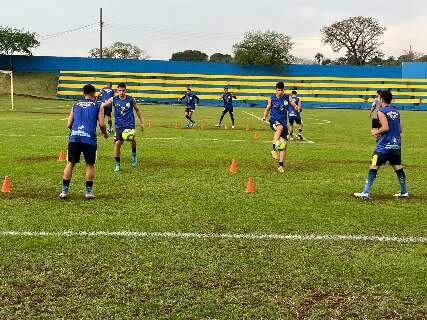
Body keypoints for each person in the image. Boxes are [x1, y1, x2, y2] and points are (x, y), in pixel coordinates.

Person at [354, 90, 408, 199]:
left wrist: (376, 132)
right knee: (398, 167)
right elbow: (401, 129)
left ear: (382, 98)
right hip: (396, 145)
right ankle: (404, 191)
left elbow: (385, 127)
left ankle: (365, 192)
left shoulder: (381, 111)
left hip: (383, 146)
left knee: (374, 165)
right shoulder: (397, 112)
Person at [59, 84, 108, 200]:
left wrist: (76, 131)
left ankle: (64, 192)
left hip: (74, 138)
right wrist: (105, 133)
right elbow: (101, 124)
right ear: (94, 93)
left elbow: (68, 124)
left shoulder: (75, 104)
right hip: (89, 139)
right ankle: (88, 192)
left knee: (70, 163)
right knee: (90, 164)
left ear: (83, 93)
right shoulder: (98, 105)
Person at [101, 83, 144, 172]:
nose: (121, 92)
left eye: (123, 90)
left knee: (132, 140)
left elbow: (137, 110)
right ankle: (117, 164)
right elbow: (102, 105)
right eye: (120, 90)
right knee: (117, 143)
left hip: (129, 124)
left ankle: (134, 156)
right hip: (119, 125)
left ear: (126, 90)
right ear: (117, 91)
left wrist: (141, 123)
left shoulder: (131, 99)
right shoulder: (113, 99)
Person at [262, 82, 300, 173]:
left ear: (284, 90)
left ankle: (280, 165)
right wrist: (264, 116)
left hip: (284, 123)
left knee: (284, 145)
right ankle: (273, 149)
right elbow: (267, 108)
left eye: (281, 90)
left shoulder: (287, 97)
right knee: (279, 128)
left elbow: (293, 104)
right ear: (276, 90)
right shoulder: (272, 98)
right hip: (274, 121)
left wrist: (296, 107)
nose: (280, 92)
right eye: (278, 90)